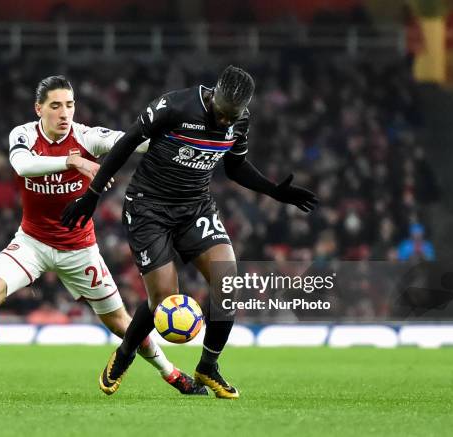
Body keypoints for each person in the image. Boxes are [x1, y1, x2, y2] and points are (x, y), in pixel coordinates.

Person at [62, 66, 318, 399]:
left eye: (233, 116)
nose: (226, 122)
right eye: (223, 114)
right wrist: (92, 195)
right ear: (214, 97)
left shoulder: (239, 119)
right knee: (163, 301)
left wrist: (274, 191)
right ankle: (124, 354)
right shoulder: (174, 107)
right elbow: (126, 144)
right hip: (148, 208)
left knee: (227, 282)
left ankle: (208, 367)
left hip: (195, 208)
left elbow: (235, 165)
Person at [0, 75, 206, 397]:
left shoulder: (89, 136)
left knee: (122, 323)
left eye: (69, 105)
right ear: (39, 108)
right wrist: (74, 161)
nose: (64, 113)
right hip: (32, 243)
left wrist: (184, 137)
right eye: (55, 106)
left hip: (79, 249)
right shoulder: (24, 134)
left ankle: (173, 374)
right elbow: (23, 166)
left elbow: (137, 142)